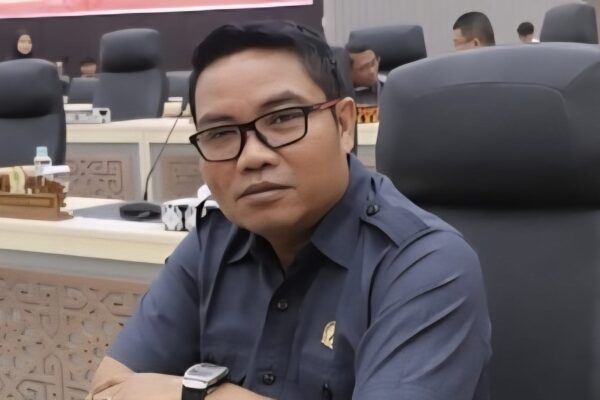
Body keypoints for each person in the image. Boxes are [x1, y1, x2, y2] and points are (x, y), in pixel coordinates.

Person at [86, 20, 491, 400]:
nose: (252, 157)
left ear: (344, 125)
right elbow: (106, 390)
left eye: (283, 118)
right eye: (220, 133)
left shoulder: (426, 264)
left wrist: (193, 393)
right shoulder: (212, 244)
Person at [345, 41, 380, 106]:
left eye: (373, 63)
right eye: (363, 68)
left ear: (378, 60)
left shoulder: (392, 84)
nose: (372, 71)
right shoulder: (343, 98)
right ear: (348, 72)